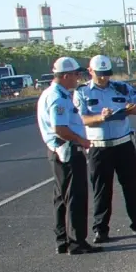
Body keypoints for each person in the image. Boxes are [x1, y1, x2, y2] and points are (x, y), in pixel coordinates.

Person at [75, 54, 136, 243]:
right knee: (102, 190)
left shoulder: (121, 87)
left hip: (123, 144)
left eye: (107, 74)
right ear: (91, 71)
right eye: (100, 74)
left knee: (131, 188)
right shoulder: (83, 92)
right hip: (99, 148)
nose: (104, 78)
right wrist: (100, 118)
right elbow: (81, 119)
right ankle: (101, 230)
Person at [38, 57, 101, 254]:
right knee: (75, 196)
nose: (77, 78)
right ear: (65, 76)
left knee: (62, 196)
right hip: (67, 150)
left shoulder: (54, 94)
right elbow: (60, 128)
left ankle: (63, 240)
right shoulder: (58, 97)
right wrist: (81, 140)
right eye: (75, 74)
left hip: (61, 150)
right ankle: (76, 241)